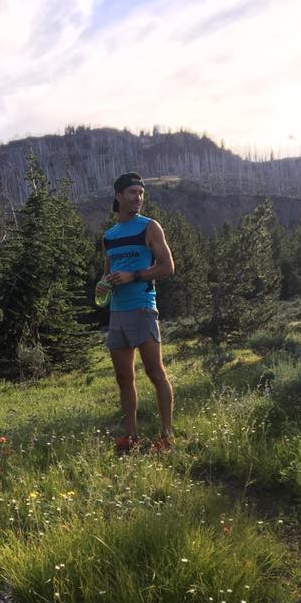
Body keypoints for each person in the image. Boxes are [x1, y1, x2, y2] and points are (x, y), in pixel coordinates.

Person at [97, 173, 175, 452]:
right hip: (117, 314)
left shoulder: (150, 227)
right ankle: (130, 436)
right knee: (123, 379)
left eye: (141, 193)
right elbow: (106, 275)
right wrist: (103, 286)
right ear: (118, 196)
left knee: (155, 373)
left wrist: (135, 275)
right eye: (132, 192)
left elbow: (168, 267)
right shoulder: (109, 236)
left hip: (143, 308)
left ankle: (166, 437)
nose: (138, 198)